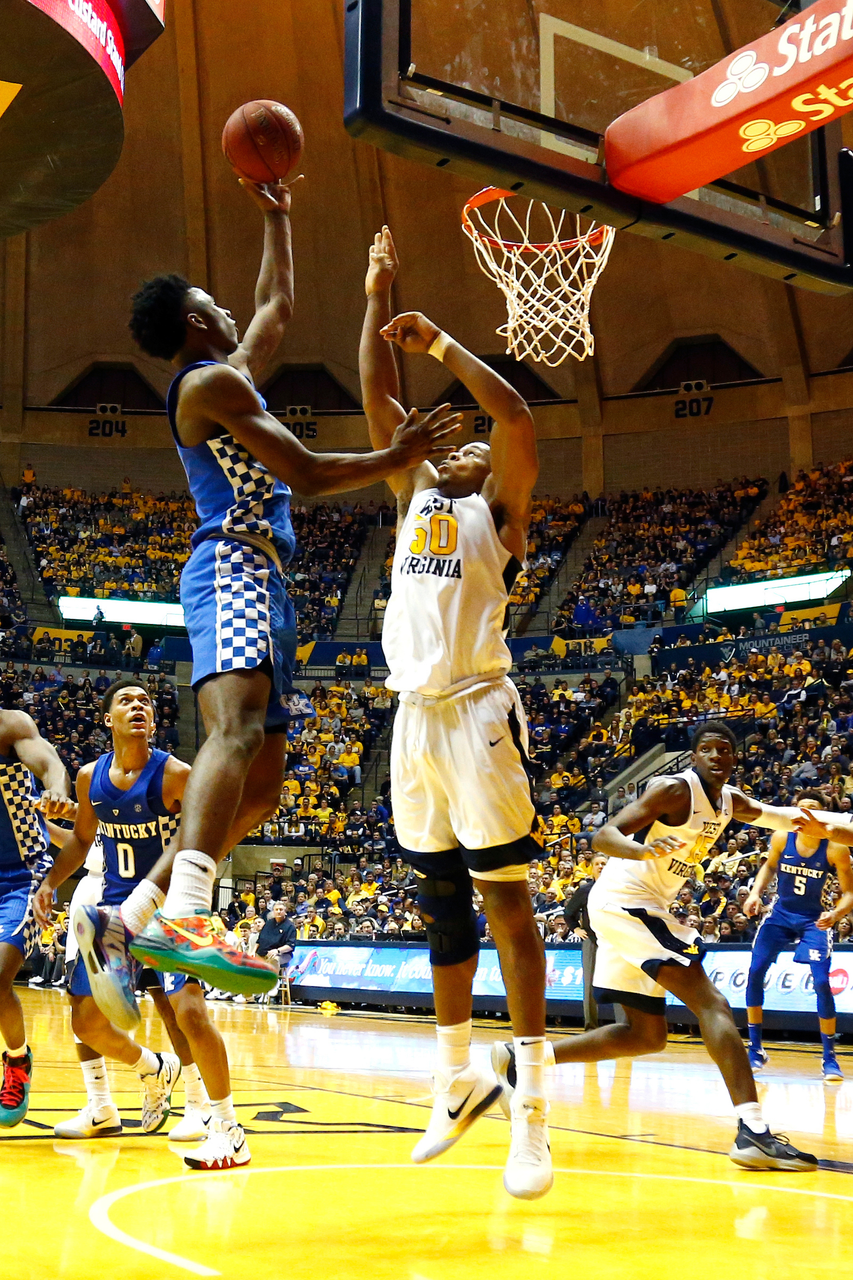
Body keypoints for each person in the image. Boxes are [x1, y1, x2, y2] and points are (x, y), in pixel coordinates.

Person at [85, 177, 462, 1016]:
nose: (229, 309)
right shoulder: (204, 388)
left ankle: (131, 913)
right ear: (194, 322)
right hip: (232, 563)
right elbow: (306, 470)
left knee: (262, 790)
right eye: (211, 302)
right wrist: (395, 455)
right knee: (235, 729)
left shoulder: (230, 371)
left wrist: (277, 212)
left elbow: (277, 302)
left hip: (269, 581)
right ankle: (186, 913)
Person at [360, 227, 549, 1199]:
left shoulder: (500, 516)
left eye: (473, 444)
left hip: (478, 707)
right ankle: (455, 1075)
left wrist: (437, 344)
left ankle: (532, 1117)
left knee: (506, 902)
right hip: (412, 718)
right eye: (456, 439)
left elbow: (511, 411)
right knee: (438, 900)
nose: (466, 442)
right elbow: (377, 404)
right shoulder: (415, 491)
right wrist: (372, 296)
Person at [491, 721, 819, 1171]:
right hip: (629, 903)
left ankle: (522, 1059)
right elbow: (603, 835)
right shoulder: (673, 789)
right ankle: (753, 1131)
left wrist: (832, 823)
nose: (717, 755)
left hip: (629, 908)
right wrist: (640, 850)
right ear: (695, 755)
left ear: (734, 757)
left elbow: (781, 817)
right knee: (714, 1005)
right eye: (707, 749)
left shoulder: (731, 802)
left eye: (725, 749)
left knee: (645, 1035)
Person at [34, 679, 246, 1170]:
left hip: (171, 906)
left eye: (145, 702)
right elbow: (83, 840)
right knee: (84, 1019)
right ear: (107, 718)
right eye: (126, 701)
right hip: (110, 913)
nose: (137, 706)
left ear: (153, 721)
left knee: (187, 1012)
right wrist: (49, 883)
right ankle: (151, 1072)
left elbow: (201, 836)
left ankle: (224, 1124)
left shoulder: (175, 774)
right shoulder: (90, 778)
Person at [744, 790, 853, 1080]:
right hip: (780, 913)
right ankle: (755, 1049)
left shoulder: (835, 848)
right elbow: (769, 865)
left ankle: (829, 1057)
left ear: (822, 814)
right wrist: (756, 893)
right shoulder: (782, 836)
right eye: (800, 807)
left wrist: (836, 914)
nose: (804, 812)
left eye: (812, 808)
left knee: (821, 983)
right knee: (755, 971)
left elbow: (849, 893)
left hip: (812, 918)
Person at [0, 711, 75, 1126]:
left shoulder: (8, 726)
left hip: (21, 874)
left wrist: (58, 791)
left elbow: (49, 764)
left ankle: (17, 1060)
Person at [561, 853, 625, 1032]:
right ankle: (590, 1026)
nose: (601, 866)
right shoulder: (585, 890)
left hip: (613, 941)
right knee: (589, 984)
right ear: (592, 867)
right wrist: (575, 929)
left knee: (617, 983)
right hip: (591, 940)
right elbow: (568, 913)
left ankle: (622, 1026)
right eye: (597, 864)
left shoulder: (618, 889)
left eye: (604, 863)